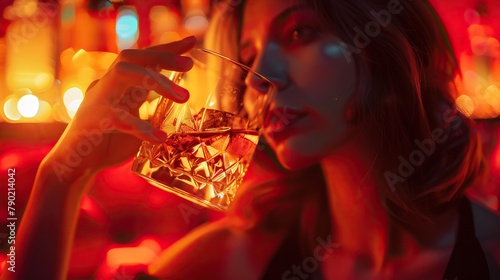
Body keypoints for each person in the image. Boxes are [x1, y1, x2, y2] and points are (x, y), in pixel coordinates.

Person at [3, 0, 500, 279]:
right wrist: (65, 171)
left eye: (300, 32)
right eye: (249, 54)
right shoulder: (240, 254)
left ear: (384, 43)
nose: (259, 77)